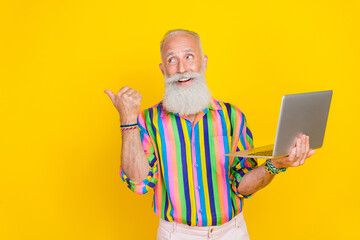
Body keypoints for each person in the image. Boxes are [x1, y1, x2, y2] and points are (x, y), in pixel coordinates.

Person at [104, 29, 315, 240]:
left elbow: (242, 185)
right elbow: (139, 184)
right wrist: (128, 120)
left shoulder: (232, 117)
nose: (181, 68)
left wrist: (275, 164)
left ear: (203, 62)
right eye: (171, 60)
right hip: (176, 234)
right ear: (163, 69)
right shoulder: (148, 121)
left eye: (189, 57)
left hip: (232, 233)